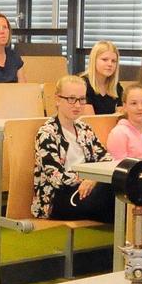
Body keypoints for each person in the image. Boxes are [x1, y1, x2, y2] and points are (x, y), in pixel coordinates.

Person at [33, 76, 112, 223]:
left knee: (119, 191)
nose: (77, 105)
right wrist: (90, 178)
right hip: (59, 198)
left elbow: (106, 158)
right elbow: (56, 178)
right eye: (71, 99)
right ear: (57, 99)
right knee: (111, 196)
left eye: (82, 99)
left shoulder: (84, 129)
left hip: (88, 189)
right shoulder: (47, 133)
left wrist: (93, 179)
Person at [106, 83, 142, 159]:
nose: (140, 108)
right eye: (134, 103)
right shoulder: (119, 133)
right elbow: (118, 166)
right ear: (125, 106)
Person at [82, 40, 122, 114]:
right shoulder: (82, 84)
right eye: (105, 60)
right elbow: (90, 121)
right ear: (94, 60)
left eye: (113, 61)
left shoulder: (116, 86)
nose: (110, 64)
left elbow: (121, 117)